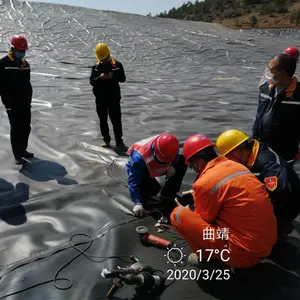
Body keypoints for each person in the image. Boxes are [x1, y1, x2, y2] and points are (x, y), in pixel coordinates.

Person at [171, 134, 277, 269]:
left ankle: (207, 258)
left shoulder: (204, 183)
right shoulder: (238, 166)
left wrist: (190, 208)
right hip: (266, 246)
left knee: (178, 214)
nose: (195, 169)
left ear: (199, 161)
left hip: (242, 255)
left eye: (192, 166)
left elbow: (205, 219)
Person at [216, 129, 300, 237]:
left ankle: (278, 229)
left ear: (239, 149)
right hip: (274, 196)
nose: (231, 161)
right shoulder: (251, 153)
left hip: (286, 204)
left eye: (231, 156)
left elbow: (281, 192)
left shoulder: (268, 165)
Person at [253, 53, 300, 167]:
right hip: (261, 147)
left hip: (284, 151)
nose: (268, 74)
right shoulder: (266, 88)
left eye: (272, 70)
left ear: (284, 72)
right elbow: (259, 115)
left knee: (283, 181)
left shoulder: (298, 95)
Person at [126, 134, 187, 217]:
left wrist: (172, 166)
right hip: (146, 167)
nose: (166, 163)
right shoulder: (139, 159)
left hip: (158, 166)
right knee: (152, 189)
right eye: (163, 161)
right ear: (155, 153)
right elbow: (134, 182)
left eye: (168, 161)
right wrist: (137, 203)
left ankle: (169, 193)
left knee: (182, 161)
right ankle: (144, 197)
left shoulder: (170, 146)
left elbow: (175, 158)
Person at [0, 35, 33, 165]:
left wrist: (28, 99)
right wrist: (7, 102)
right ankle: (17, 154)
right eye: (20, 50)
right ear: (12, 49)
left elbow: (27, 83)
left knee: (26, 127)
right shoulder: (3, 64)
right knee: (16, 128)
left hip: (25, 103)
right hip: (12, 104)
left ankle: (23, 149)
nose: (22, 53)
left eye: (23, 51)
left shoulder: (25, 64)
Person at [89, 43, 127, 151]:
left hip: (114, 98)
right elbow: (92, 81)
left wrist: (113, 76)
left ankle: (119, 142)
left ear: (109, 54)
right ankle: (106, 140)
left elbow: (123, 78)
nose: (104, 60)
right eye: (102, 58)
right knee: (103, 120)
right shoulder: (96, 67)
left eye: (105, 58)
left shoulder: (117, 65)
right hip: (100, 99)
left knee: (116, 121)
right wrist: (100, 78)